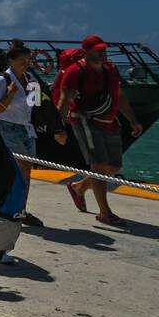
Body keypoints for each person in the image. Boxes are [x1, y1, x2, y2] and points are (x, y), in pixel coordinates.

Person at [58, 36, 142, 227]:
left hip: (109, 121)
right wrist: (59, 128)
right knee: (99, 166)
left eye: (104, 49)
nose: (103, 53)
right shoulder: (75, 71)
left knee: (113, 168)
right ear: (87, 52)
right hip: (85, 120)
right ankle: (105, 213)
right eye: (98, 50)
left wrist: (133, 120)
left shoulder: (110, 69)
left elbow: (119, 96)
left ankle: (79, 187)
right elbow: (64, 101)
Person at [0, 41, 48, 228]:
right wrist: (11, 93)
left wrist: (36, 91)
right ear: (11, 61)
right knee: (19, 169)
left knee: (27, 171)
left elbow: (34, 106)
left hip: (26, 128)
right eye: (22, 61)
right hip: (7, 126)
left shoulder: (29, 78)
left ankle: (21, 209)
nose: (26, 64)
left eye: (28, 60)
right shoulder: (3, 80)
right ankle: (11, 207)